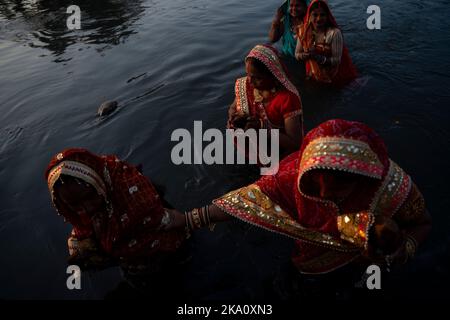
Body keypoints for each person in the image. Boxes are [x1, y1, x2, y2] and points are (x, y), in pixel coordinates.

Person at [166, 120, 431, 278]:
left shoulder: (392, 186)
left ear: (363, 178)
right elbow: (246, 200)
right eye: (318, 183)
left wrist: (403, 251)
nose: (325, 195)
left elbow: (422, 223)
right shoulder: (293, 176)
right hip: (312, 258)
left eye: (340, 187)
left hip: (366, 259)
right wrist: (190, 218)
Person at [45, 148, 187, 296]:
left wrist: (199, 217)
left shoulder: (136, 201)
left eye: (89, 197)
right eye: (74, 205)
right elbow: (82, 231)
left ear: (98, 182)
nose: (85, 208)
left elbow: (175, 219)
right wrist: (79, 249)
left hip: (166, 256)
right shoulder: (85, 206)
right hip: (130, 263)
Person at [227, 44, 304, 157]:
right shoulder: (246, 86)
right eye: (248, 75)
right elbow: (233, 107)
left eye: (258, 78)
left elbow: (295, 143)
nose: (250, 81)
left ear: (274, 76)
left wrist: (263, 129)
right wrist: (234, 117)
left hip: (279, 155)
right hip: (252, 150)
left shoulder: (287, 99)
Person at [295, 0, 357, 86]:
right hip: (312, 75)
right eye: (315, 15)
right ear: (309, 16)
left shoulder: (334, 33)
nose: (319, 19)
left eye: (322, 15)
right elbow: (297, 54)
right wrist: (305, 56)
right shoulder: (303, 31)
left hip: (333, 78)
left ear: (327, 16)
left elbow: (336, 60)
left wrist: (318, 58)